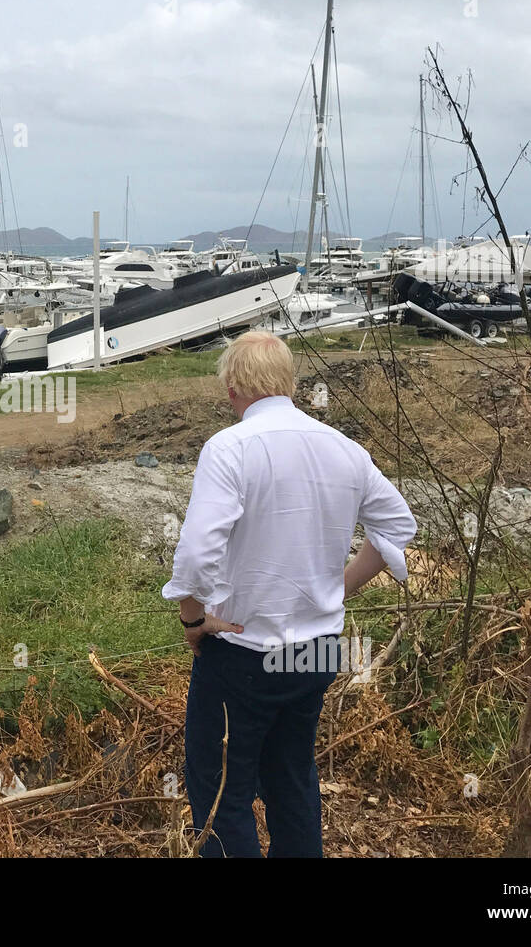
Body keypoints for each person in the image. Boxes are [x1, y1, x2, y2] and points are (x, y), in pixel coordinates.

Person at [163, 330, 416, 857]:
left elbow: (192, 557)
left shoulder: (230, 448)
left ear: (232, 386)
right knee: (292, 777)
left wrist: (193, 619)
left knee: (221, 794)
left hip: (244, 651)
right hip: (318, 650)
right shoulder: (344, 449)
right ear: (291, 385)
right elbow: (398, 527)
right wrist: (334, 591)